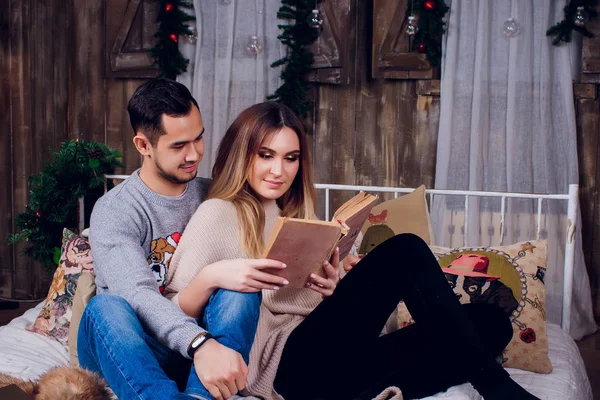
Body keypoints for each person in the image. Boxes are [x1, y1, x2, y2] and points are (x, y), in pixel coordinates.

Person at [166, 101, 540, 400]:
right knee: (405, 250)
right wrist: (213, 277)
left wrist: (329, 288)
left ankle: (371, 393)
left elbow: (304, 306)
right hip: (284, 367)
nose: (278, 170)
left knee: (491, 324)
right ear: (241, 154)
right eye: (266, 155)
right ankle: (498, 388)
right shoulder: (219, 212)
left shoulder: (294, 214)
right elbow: (170, 310)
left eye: (290, 158)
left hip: (329, 365)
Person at [78, 79, 286, 400]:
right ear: (143, 145)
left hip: (200, 352)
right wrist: (199, 343)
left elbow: (266, 250)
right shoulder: (116, 210)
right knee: (106, 307)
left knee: (240, 287)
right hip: (134, 349)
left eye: (198, 138)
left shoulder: (214, 193)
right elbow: (137, 295)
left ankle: (201, 395)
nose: (194, 154)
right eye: (178, 146)